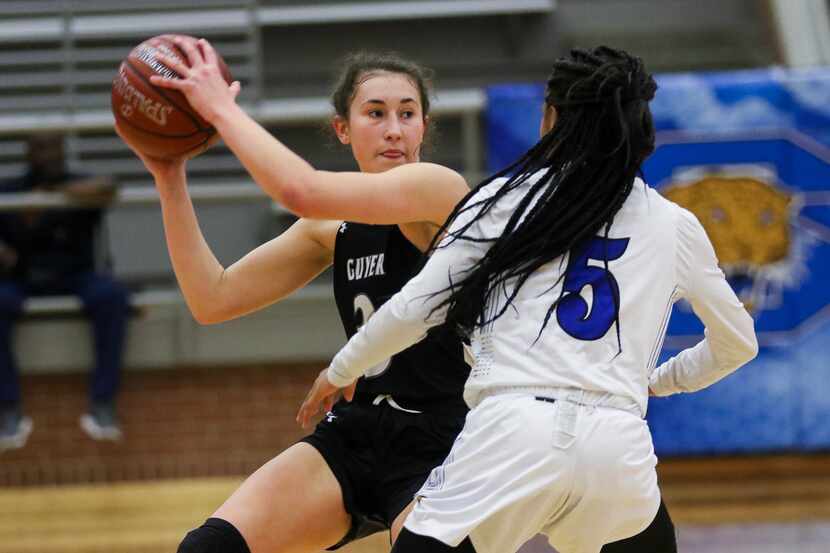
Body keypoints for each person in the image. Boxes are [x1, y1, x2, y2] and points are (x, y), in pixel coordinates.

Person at [125, 43, 678, 553]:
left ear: (424, 128)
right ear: (343, 129)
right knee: (207, 548)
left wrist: (221, 110)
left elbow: (298, 186)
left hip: (451, 443)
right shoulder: (327, 226)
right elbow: (212, 299)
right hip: (357, 434)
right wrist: (168, 173)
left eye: (407, 113)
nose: (393, 129)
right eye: (375, 113)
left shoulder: (436, 192)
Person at [298, 46, 758, 553]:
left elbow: (415, 308)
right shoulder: (675, 224)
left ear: (551, 117)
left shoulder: (505, 201)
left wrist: (341, 370)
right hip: (617, 443)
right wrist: (661, 382)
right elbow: (738, 345)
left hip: (512, 430)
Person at [0, 132, 129, 451]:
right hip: (22, 277)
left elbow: (109, 187)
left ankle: (102, 406)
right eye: (40, 147)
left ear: (62, 150)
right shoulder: (11, 190)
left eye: (53, 147)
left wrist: (49, 196)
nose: (48, 154)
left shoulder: (76, 182)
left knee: (112, 296)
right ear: (28, 152)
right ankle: (8, 409)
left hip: (75, 276)